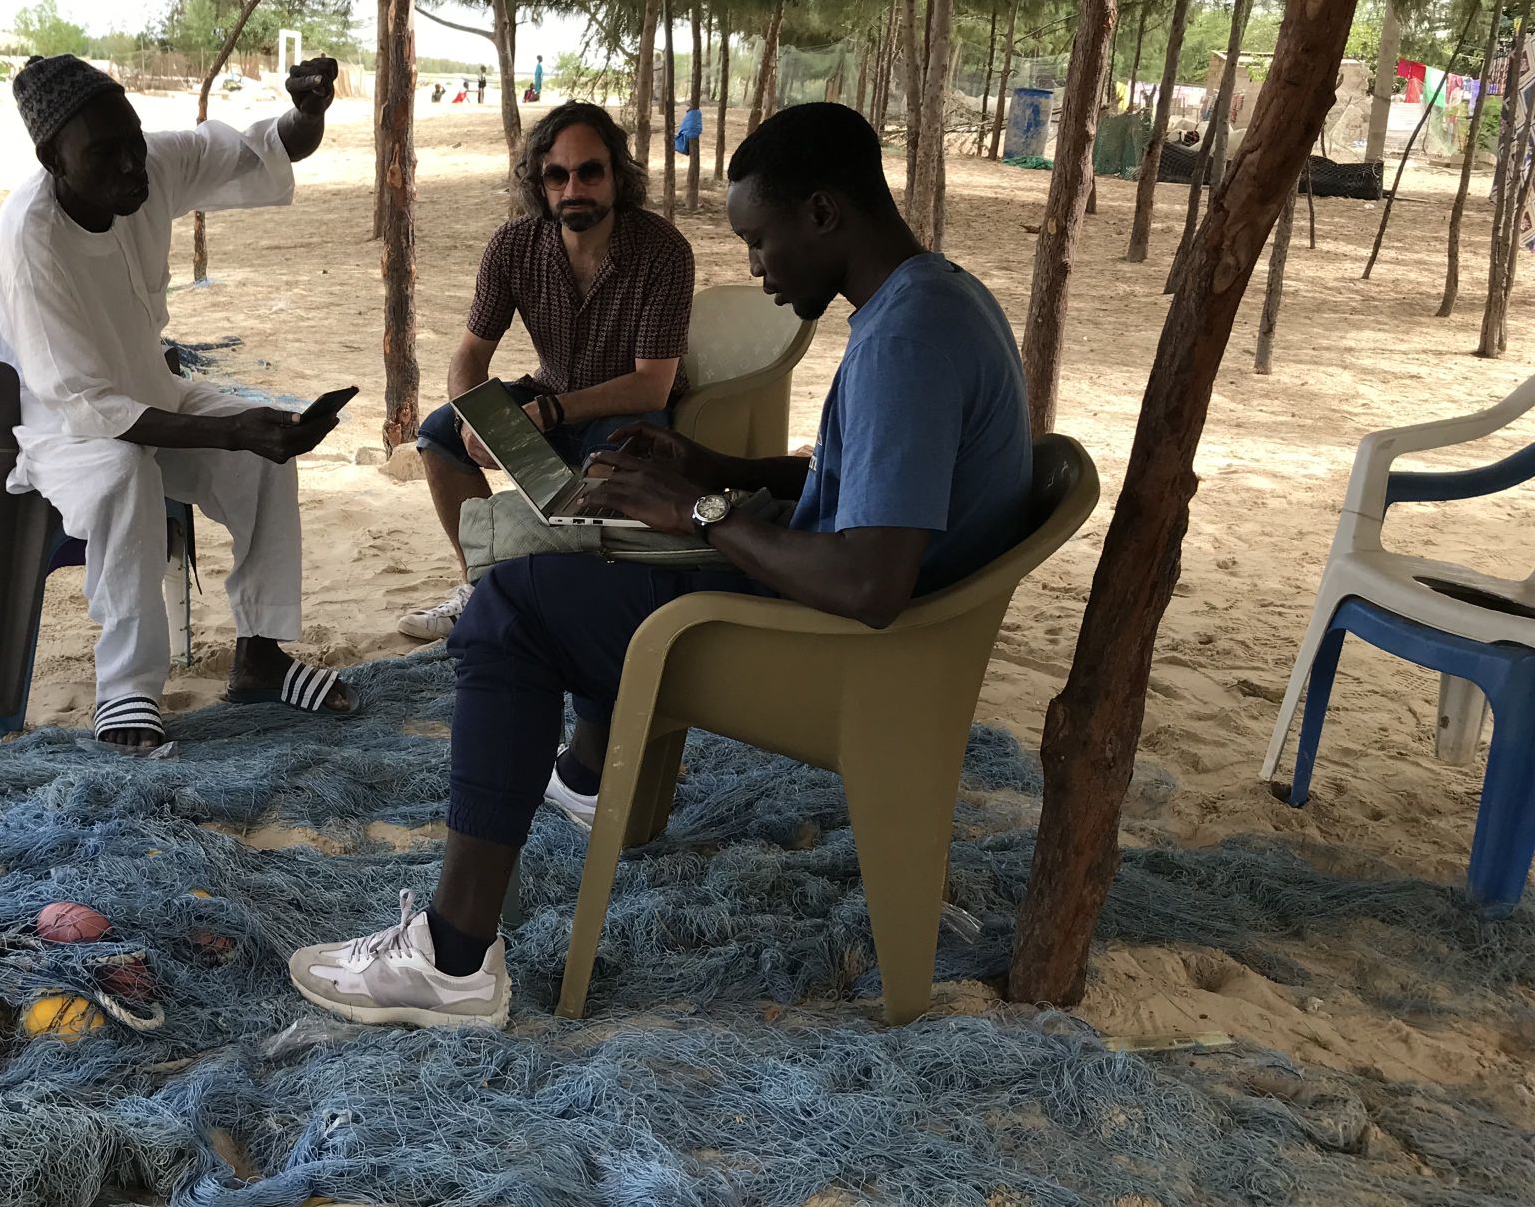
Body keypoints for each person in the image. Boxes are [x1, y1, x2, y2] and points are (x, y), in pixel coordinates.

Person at [291, 102, 1033, 1028]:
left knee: (513, 609)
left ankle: (452, 955)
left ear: (823, 213)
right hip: (856, 624)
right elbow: (866, 484)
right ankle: (588, 774)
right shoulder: (934, 299)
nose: (756, 270)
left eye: (761, 242)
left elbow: (870, 584)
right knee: (591, 551)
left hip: (834, 652)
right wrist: (719, 470)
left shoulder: (905, 339)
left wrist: (701, 512)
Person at [0, 52, 356, 751]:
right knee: (128, 473)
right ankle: (126, 692)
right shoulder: (28, 241)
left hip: (156, 393)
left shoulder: (146, 166)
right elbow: (89, 407)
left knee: (267, 453)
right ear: (53, 159)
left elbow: (267, 147)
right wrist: (226, 432)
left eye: (134, 142)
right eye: (106, 154)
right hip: (62, 427)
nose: (132, 167)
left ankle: (261, 657)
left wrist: (308, 112)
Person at [396, 101, 695, 642]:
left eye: (589, 171)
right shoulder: (513, 247)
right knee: (439, 436)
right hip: (548, 394)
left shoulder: (663, 250)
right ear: (540, 182)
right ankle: (482, 587)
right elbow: (469, 354)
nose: (573, 187)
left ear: (617, 175)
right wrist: (480, 416)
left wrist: (548, 413)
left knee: (602, 470)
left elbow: (653, 382)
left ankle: (571, 611)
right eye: (556, 175)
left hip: (632, 409)